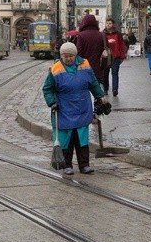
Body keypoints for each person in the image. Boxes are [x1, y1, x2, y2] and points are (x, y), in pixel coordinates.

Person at [42, 42, 107, 175]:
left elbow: (93, 83)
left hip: (82, 107)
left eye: (70, 56)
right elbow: (47, 89)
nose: (68, 59)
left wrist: (100, 95)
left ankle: (84, 165)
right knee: (66, 139)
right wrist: (51, 102)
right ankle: (67, 165)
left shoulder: (85, 65)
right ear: (61, 57)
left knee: (81, 138)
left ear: (75, 55)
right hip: (64, 109)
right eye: (65, 57)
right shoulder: (55, 69)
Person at [75, 14, 106, 84]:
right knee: (97, 90)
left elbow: (79, 52)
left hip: (84, 68)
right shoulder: (102, 35)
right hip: (98, 68)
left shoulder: (81, 35)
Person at [102, 17, 126, 96]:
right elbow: (100, 45)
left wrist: (122, 56)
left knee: (115, 73)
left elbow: (121, 45)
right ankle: (105, 88)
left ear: (113, 24)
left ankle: (115, 89)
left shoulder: (118, 33)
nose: (108, 25)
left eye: (110, 23)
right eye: (107, 23)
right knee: (105, 74)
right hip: (106, 57)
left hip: (116, 57)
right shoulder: (102, 34)